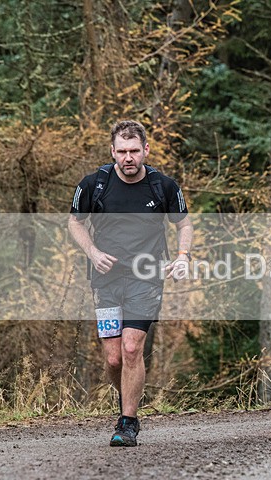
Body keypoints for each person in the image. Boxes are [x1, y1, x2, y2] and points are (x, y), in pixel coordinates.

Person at [68, 120, 193, 446]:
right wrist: (92, 252)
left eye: (134, 151)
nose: (128, 157)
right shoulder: (94, 184)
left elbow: (184, 224)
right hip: (106, 281)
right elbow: (75, 223)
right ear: (112, 151)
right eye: (122, 151)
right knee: (113, 358)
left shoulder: (163, 186)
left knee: (132, 347)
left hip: (146, 280)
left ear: (145, 150)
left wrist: (182, 256)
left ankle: (128, 421)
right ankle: (128, 397)